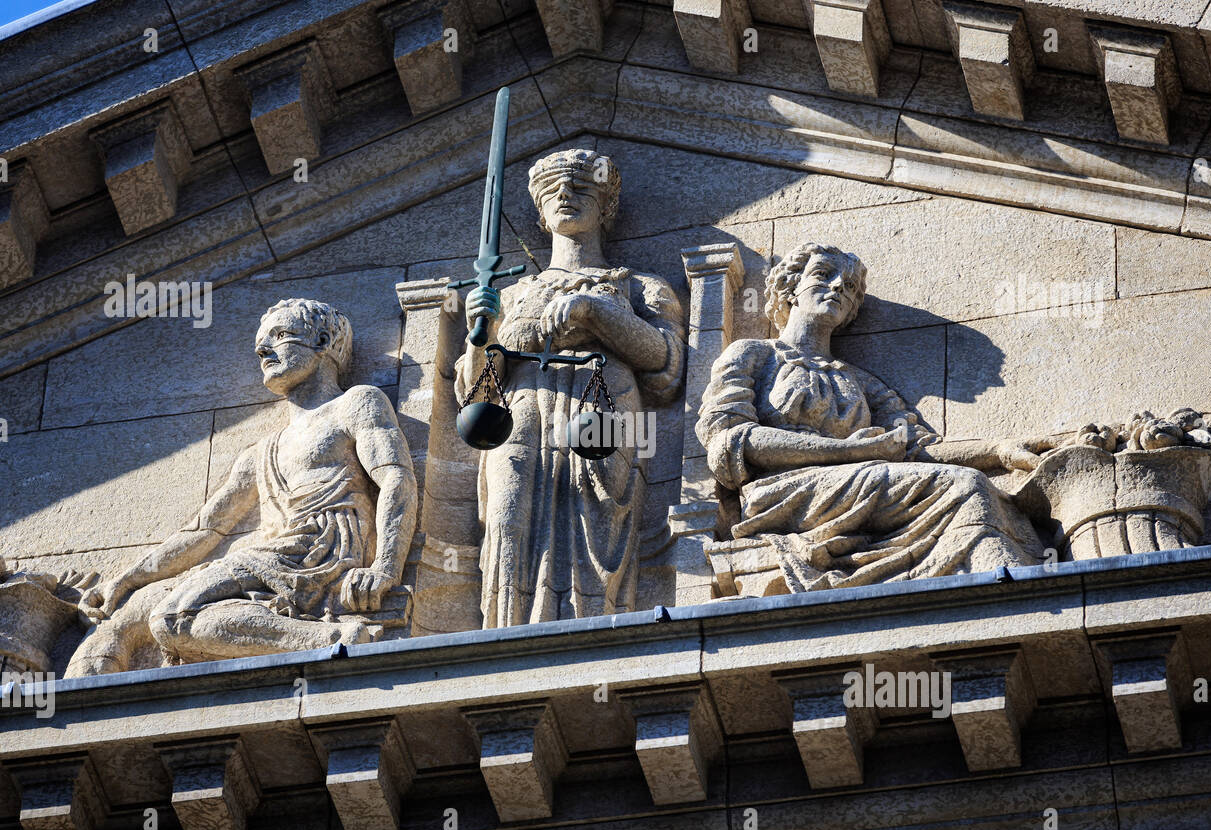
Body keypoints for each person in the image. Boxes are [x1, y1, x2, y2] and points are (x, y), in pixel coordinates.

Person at [65, 298, 417, 675]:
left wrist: (385, 568)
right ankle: (328, 638)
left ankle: (330, 638)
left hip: (324, 552)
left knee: (173, 615)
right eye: (260, 343)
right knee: (172, 615)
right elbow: (204, 530)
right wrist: (127, 578)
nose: (264, 349)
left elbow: (396, 477)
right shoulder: (258, 453)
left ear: (323, 341)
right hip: (273, 557)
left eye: (280, 336)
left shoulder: (356, 403)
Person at [695, 242, 1050, 592]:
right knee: (964, 485)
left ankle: (1004, 591)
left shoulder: (859, 381)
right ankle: (1013, 593)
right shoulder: (753, 354)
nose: (837, 287)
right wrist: (849, 451)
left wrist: (998, 450)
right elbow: (729, 442)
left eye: (849, 287)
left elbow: (914, 448)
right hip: (783, 493)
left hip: (856, 481)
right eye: (822, 274)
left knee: (979, 486)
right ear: (791, 288)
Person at [458, 148, 684, 627]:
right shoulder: (513, 294)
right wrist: (481, 329)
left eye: (582, 187)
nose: (565, 194)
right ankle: (505, 636)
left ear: (607, 206)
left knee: (598, 517)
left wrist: (598, 313)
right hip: (520, 419)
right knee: (507, 519)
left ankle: (598, 631)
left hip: (601, 409)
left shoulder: (638, 286)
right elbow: (476, 390)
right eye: (551, 190)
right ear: (538, 212)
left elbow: (666, 366)